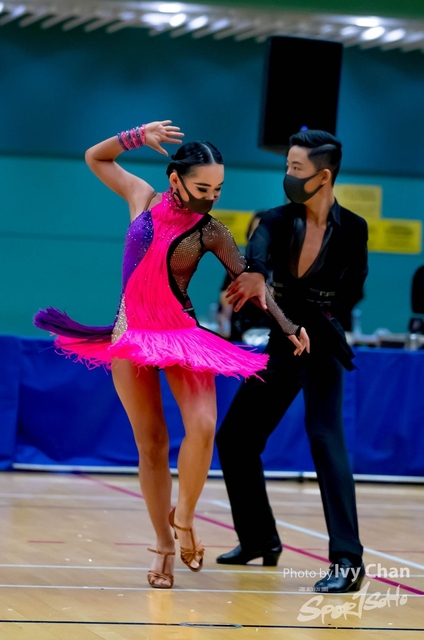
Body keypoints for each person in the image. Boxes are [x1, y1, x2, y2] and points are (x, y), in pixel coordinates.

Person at [34, 120, 310, 590]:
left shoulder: (211, 230)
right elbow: (95, 157)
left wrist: (288, 324)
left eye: (218, 190)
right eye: (203, 188)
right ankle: (163, 544)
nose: (211, 198)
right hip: (131, 334)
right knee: (153, 444)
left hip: (181, 334)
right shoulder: (140, 198)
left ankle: (183, 519)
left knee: (203, 425)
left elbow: (250, 281)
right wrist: (136, 136)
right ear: (175, 179)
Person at [215, 129, 369, 594]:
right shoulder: (277, 220)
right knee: (236, 438)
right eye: (287, 167)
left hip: (321, 342)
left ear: (324, 176)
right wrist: (259, 277)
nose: (288, 175)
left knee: (325, 438)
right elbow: (257, 256)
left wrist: (316, 319)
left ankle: (348, 561)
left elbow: (353, 290)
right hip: (283, 341)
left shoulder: (354, 228)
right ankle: (259, 539)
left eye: (297, 169)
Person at [217, 211, 272, 341]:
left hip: (271, 338)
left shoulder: (284, 269)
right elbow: (224, 300)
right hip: (239, 338)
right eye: (254, 233)